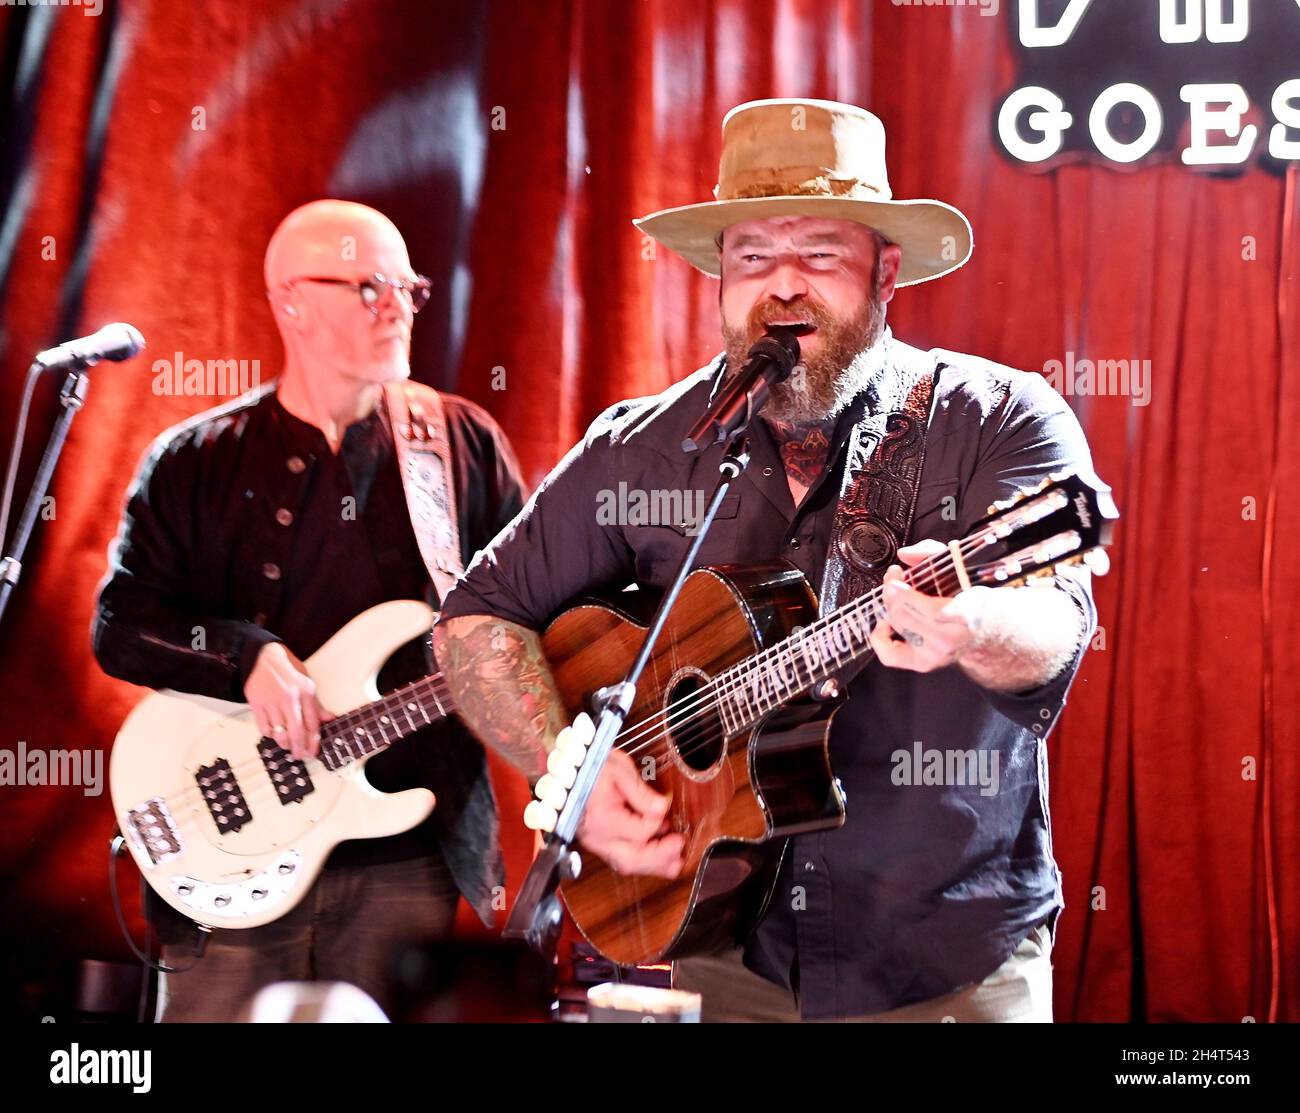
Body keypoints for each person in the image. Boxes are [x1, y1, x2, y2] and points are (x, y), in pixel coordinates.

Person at [434, 100, 1098, 1022]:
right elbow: (475, 617)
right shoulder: (644, 446)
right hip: (732, 953)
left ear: (886, 271)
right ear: (719, 279)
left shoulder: (996, 420)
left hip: (946, 958)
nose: (784, 285)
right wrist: (574, 770)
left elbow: (1058, 624)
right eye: (753, 257)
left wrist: (971, 622)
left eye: (821, 253)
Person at [94, 199, 526, 1021]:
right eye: (369, 286)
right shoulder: (194, 461)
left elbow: (536, 607)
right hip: (228, 849)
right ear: (290, 299)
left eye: (407, 286)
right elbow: (120, 624)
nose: (397, 305)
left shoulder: (460, 446)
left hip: (405, 852)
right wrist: (245, 654)